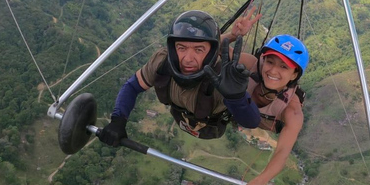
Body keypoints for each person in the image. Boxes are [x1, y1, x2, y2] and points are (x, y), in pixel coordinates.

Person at [98, 10, 261, 146]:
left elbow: (251, 122)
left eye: (198, 50)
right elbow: (132, 86)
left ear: (212, 52)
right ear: (172, 48)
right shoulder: (162, 61)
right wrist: (118, 119)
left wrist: (237, 97)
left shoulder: (222, 80)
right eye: (181, 48)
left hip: (211, 126)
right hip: (180, 115)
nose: (188, 59)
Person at [224, 14, 309, 185]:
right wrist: (231, 35)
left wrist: (260, 181)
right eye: (270, 62)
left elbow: (282, 153)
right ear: (263, 60)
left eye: (283, 67)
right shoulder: (251, 65)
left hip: (264, 119)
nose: (273, 71)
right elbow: (209, 51)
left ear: (294, 74)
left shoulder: (292, 111)